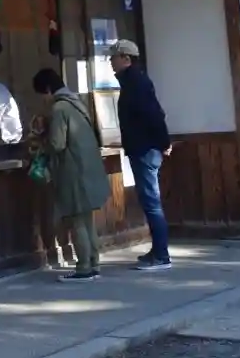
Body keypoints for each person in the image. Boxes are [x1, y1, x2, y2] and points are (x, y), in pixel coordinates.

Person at [32, 67, 109, 281]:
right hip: (89, 169)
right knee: (87, 220)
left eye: (43, 94)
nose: (44, 100)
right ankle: (93, 263)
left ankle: (84, 267)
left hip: (73, 172)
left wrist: (41, 137)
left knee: (76, 221)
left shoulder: (59, 109)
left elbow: (57, 143)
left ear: (48, 89)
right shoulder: (77, 103)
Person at [110, 39, 173, 271]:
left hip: (145, 148)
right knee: (149, 201)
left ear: (126, 58)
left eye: (114, 57)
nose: (111, 62)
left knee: (151, 202)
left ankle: (162, 255)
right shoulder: (134, 81)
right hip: (143, 147)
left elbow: (154, 115)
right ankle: (157, 250)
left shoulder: (136, 82)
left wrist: (164, 141)